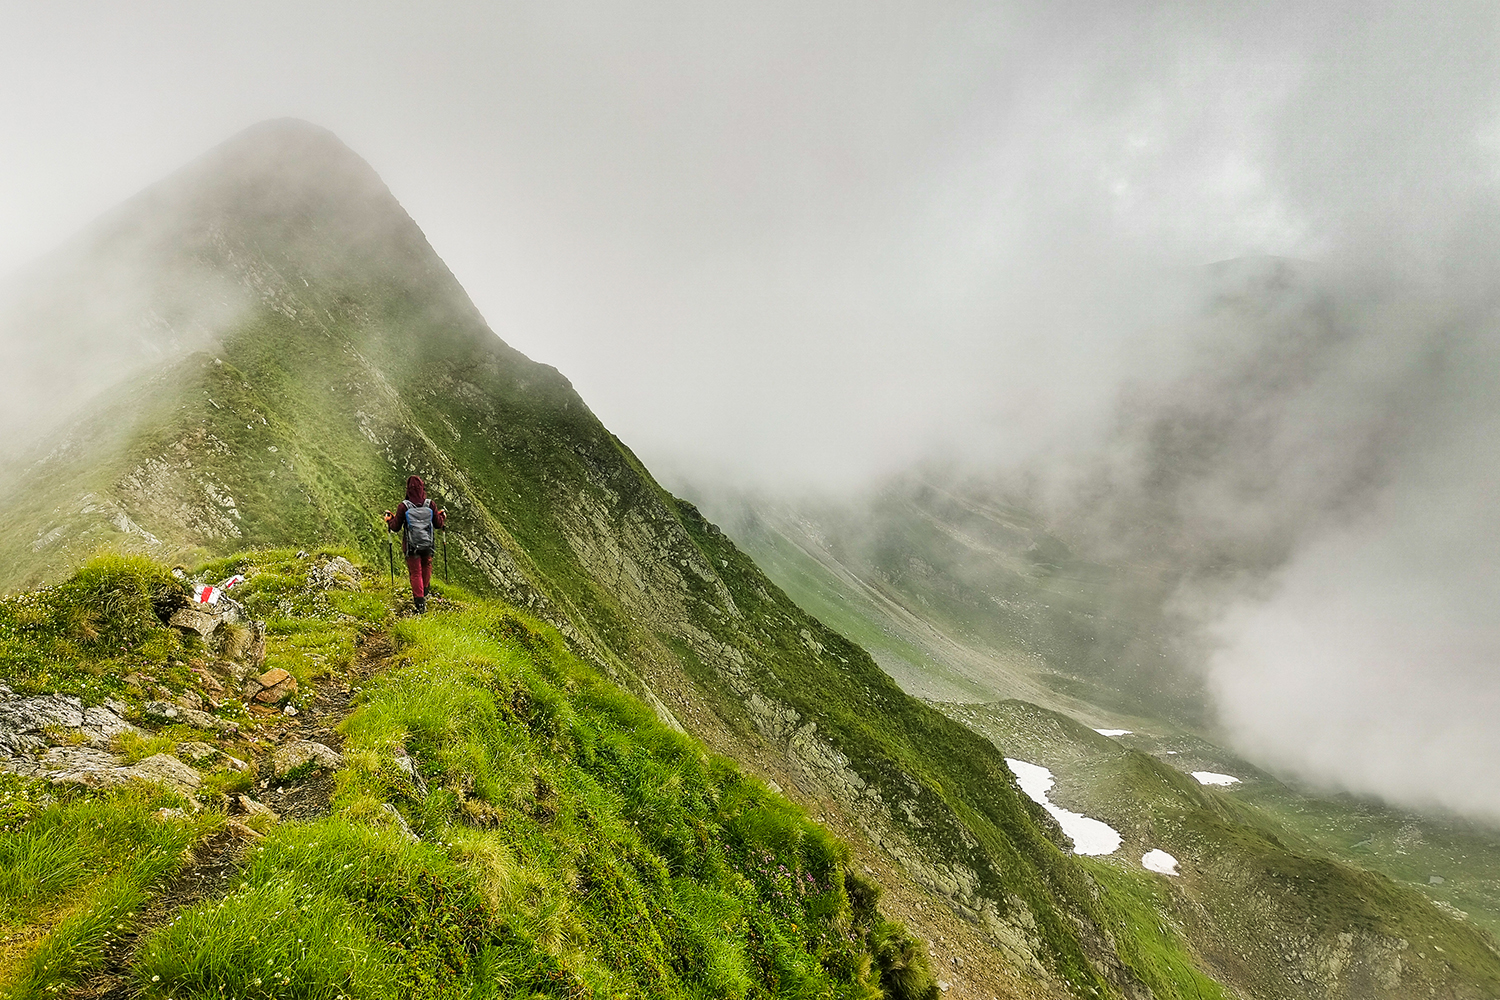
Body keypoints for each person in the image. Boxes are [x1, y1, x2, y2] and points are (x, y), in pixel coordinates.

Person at [384, 475, 446, 612]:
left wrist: (389, 520)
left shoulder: (404, 506)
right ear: (422, 488)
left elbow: (395, 527)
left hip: (411, 546)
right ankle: (424, 593)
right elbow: (438, 524)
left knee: (415, 572)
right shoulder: (430, 504)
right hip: (427, 544)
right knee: (426, 566)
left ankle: (420, 604)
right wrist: (442, 516)